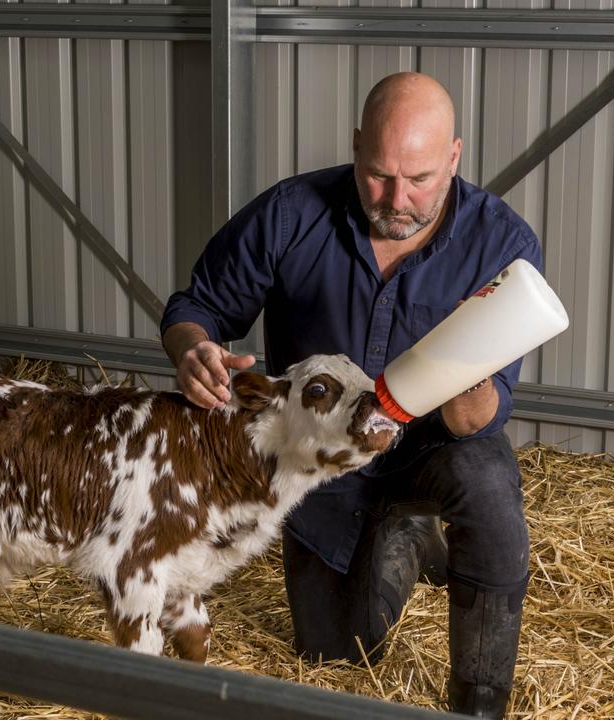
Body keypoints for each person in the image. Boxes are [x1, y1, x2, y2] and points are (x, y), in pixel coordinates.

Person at [159, 72, 539, 718]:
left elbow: (480, 418)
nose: (396, 198)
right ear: (357, 144)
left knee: (490, 483)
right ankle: (407, 535)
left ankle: (479, 699)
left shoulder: (501, 245)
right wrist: (192, 349)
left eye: (419, 179)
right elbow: (196, 307)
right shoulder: (291, 212)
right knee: (334, 654)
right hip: (324, 465)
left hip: (432, 447)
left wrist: (465, 368)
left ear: (453, 156)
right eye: (378, 174)